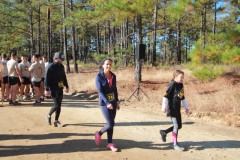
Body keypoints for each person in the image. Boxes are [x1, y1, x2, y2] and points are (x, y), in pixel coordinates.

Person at [159, 70, 189, 151]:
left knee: (179, 126)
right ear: (175, 77)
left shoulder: (181, 85)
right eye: (181, 77)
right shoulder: (172, 84)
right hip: (171, 108)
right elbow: (165, 96)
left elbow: (182, 97)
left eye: (183, 77)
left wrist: (186, 107)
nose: (182, 79)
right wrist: (163, 107)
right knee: (176, 126)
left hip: (177, 108)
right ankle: (175, 144)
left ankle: (164, 132)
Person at [95, 58, 120, 152]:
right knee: (110, 123)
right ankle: (99, 133)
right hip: (104, 103)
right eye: (107, 64)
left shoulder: (113, 76)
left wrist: (117, 101)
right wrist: (107, 102)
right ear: (102, 65)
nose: (109, 66)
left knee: (111, 124)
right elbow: (100, 92)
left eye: (110, 64)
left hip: (113, 101)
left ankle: (109, 143)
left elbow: (115, 90)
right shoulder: (99, 76)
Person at [45, 52, 69, 127]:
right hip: (53, 88)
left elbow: (64, 77)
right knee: (56, 105)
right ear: (55, 58)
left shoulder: (61, 66)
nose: (61, 61)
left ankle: (56, 121)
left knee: (59, 105)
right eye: (60, 59)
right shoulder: (50, 67)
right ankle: (48, 116)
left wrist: (67, 86)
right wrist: (47, 89)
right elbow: (46, 78)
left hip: (60, 87)